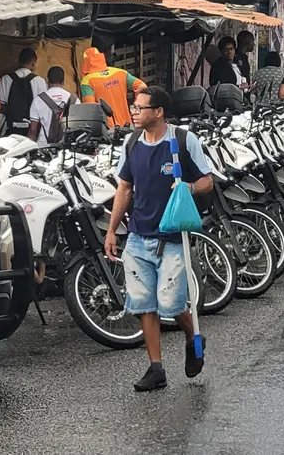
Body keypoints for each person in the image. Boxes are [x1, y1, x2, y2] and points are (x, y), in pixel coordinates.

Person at [104, 87, 213, 392]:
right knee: (143, 303)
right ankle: (156, 369)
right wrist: (113, 230)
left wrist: (188, 188)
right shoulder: (132, 142)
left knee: (170, 302)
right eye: (133, 107)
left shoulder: (182, 140)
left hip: (173, 237)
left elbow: (207, 180)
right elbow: (124, 188)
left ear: (159, 112)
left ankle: (194, 337)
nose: (134, 112)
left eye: (140, 108)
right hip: (139, 235)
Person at [80, 47, 147, 127]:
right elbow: (142, 86)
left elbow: (90, 107)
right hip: (127, 125)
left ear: (86, 62)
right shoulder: (120, 73)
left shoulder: (87, 81)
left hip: (107, 129)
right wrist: (135, 107)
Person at [0, 48, 47, 137]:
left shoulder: (6, 79)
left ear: (18, 60)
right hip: (31, 131)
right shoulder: (39, 81)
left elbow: (0, 108)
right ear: (33, 62)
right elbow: (42, 108)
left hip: (10, 129)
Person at [28, 66, 75, 146]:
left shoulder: (38, 100)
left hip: (44, 146)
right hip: (67, 147)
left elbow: (33, 130)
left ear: (48, 81)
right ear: (63, 82)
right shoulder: (74, 100)